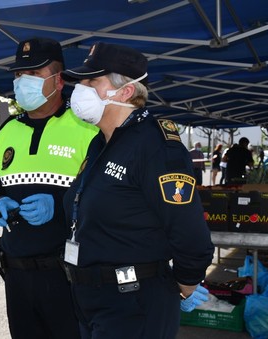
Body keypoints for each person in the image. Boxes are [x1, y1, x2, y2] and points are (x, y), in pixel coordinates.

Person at [59, 42, 214, 338]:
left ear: (126, 91)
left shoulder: (155, 146)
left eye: (92, 81)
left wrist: (187, 280)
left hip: (133, 303)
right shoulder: (100, 143)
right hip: (91, 298)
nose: (80, 88)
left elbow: (188, 227)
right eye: (81, 81)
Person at [0, 37, 98, 338]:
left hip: (68, 275)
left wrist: (59, 204)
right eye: (19, 75)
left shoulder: (87, 127)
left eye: (33, 74)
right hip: (16, 273)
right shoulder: (8, 131)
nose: (23, 82)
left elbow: (105, 198)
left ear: (59, 81)